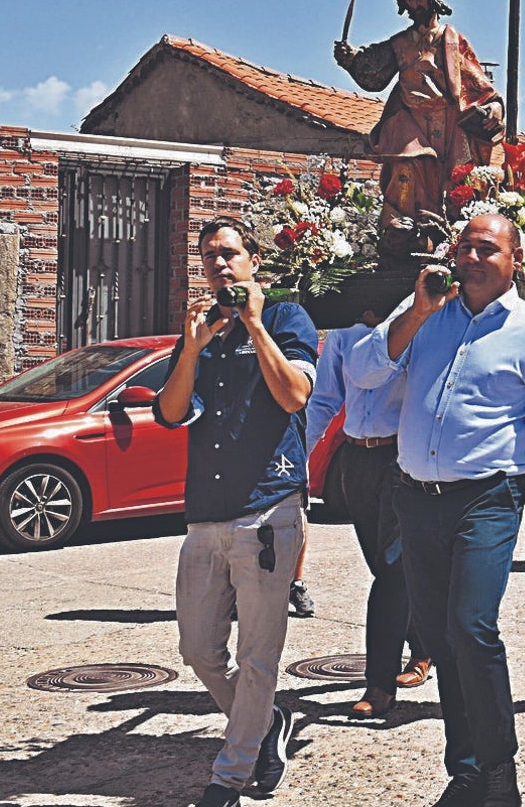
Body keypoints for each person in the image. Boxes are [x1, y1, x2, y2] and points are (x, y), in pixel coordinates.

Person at [348, 213, 525, 806]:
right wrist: (418, 312)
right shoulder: (425, 314)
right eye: (466, 247)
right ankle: (468, 771)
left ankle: (499, 775)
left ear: (515, 261)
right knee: (439, 633)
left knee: (471, 627)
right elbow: (363, 371)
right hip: (415, 498)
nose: (474, 258)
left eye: (489, 248)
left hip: (488, 497)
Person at [154, 217, 318, 807]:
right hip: (206, 511)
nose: (218, 264)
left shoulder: (285, 318)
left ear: (253, 261)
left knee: (257, 652)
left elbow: (296, 395)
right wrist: (193, 348)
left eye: (229, 253)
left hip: (268, 506)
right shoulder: (200, 331)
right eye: (208, 256)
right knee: (198, 649)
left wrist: (252, 319)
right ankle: (266, 723)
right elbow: (172, 413)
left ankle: (232, 773)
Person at [304, 308, 432, 719]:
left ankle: (378, 684)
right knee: (385, 569)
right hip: (356, 459)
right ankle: (425, 644)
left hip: (402, 457)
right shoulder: (345, 327)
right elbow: (325, 398)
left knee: (393, 571)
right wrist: (295, 457)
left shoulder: (422, 317)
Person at [333, 0, 504, 244]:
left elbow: (477, 82)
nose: (415, 5)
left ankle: (448, 240)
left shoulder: (452, 40)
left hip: (448, 123)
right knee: (408, 169)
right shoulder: (400, 43)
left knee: (453, 183)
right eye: (409, 0)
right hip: (410, 121)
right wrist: (351, 60)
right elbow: (374, 73)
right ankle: (403, 237)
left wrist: (494, 107)